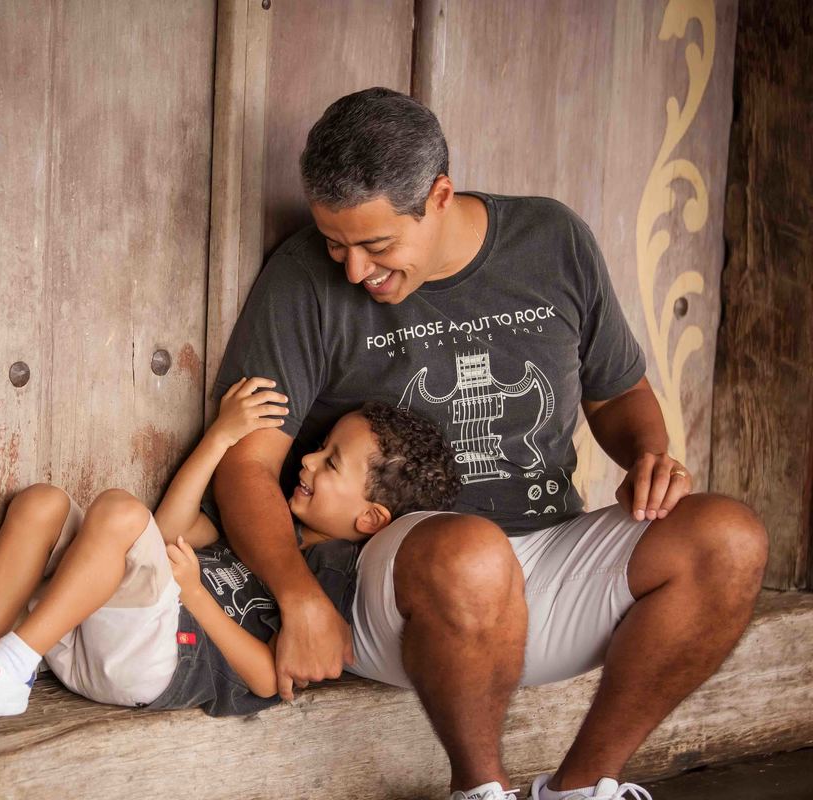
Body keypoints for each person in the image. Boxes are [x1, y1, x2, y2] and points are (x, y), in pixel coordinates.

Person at [209, 88, 768, 800]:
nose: (352, 270)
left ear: (440, 196)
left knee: (729, 539)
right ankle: (478, 790)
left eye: (377, 246)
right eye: (335, 244)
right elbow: (246, 466)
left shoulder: (552, 240)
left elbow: (618, 393)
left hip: (546, 558)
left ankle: (582, 787)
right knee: (471, 552)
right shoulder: (301, 280)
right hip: (394, 586)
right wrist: (298, 597)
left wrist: (648, 456)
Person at [0, 377, 460, 731]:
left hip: (159, 664)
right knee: (42, 503)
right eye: (320, 448)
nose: (307, 460)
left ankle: (7, 667)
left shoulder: (333, 577)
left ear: (369, 519)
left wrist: (196, 595)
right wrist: (221, 437)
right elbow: (174, 528)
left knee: (120, 512)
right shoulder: (268, 524)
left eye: (330, 462)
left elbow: (267, 681)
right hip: (95, 634)